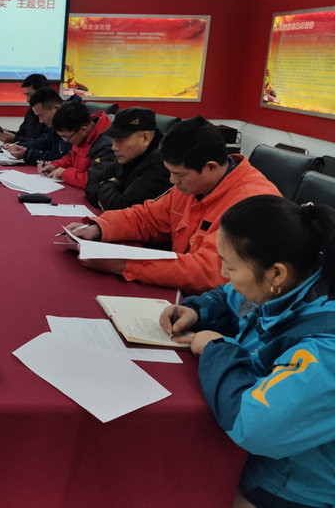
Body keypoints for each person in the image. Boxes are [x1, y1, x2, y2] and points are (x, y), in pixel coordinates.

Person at [159, 195, 335, 508]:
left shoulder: (325, 347)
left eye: (230, 266)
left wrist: (215, 349)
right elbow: (229, 297)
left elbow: (253, 425)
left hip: (291, 484)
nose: (223, 274)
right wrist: (197, 310)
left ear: (276, 273)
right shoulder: (292, 278)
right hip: (257, 454)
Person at [65, 116, 281, 295]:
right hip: (186, 296)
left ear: (210, 167)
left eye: (179, 175)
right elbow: (148, 217)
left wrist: (124, 265)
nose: (172, 181)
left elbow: (210, 271)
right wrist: (100, 227)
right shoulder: (192, 186)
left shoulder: (252, 205)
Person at [84, 107, 171, 210]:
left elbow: (120, 206)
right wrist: (108, 197)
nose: (114, 147)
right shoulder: (128, 156)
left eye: (121, 140)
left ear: (145, 138)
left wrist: (108, 183)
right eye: (113, 140)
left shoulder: (161, 166)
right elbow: (91, 183)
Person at [40, 101, 114, 187]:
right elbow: (71, 157)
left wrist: (64, 173)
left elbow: (94, 180)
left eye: (66, 137)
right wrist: (55, 165)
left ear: (83, 129)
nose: (65, 141)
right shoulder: (80, 135)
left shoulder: (108, 145)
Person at [2, 88, 75, 165]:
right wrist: (18, 146)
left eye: (41, 115)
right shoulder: (55, 125)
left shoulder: (74, 126)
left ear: (56, 108)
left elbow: (63, 158)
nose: (41, 121)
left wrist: (27, 154)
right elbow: (44, 143)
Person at [0, 73, 50, 144]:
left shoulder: (53, 114)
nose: (27, 100)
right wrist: (7, 134)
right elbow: (22, 134)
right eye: (26, 95)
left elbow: (44, 143)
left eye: (30, 95)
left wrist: (14, 139)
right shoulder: (31, 111)